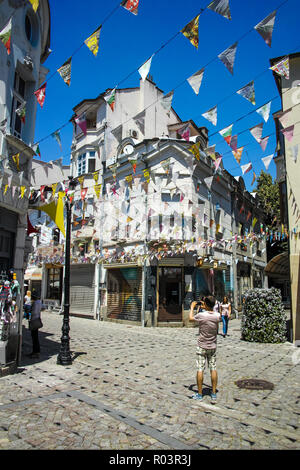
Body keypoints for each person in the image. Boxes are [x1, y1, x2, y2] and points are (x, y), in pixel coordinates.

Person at [189, 295, 222, 404]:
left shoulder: (201, 315)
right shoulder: (217, 316)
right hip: (212, 346)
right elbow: (218, 316)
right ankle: (213, 393)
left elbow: (190, 319)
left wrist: (192, 307)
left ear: (206, 304)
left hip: (202, 346)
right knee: (213, 368)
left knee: (200, 369)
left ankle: (199, 393)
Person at [27, 293, 44, 359]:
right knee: (35, 336)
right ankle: (36, 351)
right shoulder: (39, 302)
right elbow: (43, 308)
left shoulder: (34, 303)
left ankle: (35, 352)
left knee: (34, 337)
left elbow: (32, 312)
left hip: (34, 320)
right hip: (37, 319)